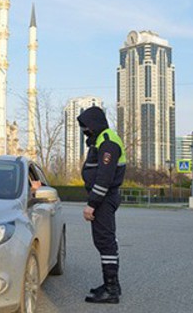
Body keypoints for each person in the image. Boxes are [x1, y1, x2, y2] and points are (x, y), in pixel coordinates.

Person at [77, 106, 126, 304]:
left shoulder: (107, 142)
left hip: (104, 199)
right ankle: (110, 284)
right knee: (104, 242)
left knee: (105, 242)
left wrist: (92, 204)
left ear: (95, 124)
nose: (84, 131)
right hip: (103, 199)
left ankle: (111, 289)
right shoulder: (101, 140)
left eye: (86, 127)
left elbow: (104, 178)